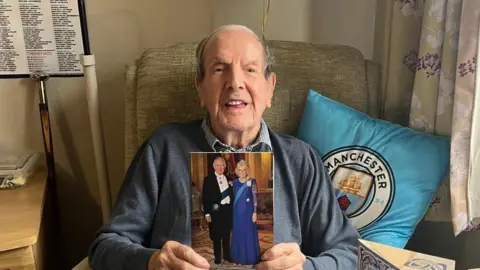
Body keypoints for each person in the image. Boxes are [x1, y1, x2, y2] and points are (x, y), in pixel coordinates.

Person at [88, 24, 360, 270]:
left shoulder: (300, 159)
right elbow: (104, 247)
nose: (235, 82)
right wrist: (150, 261)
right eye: (220, 69)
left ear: (270, 89)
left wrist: (307, 268)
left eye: (250, 69)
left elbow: (347, 252)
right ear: (200, 89)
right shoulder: (163, 149)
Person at [201, 156, 233, 264]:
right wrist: (207, 213)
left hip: (227, 211)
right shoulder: (208, 180)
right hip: (215, 212)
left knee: (226, 235)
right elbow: (205, 197)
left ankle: (227, 256)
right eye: (218, 165)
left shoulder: (230, 179)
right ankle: (218, 257)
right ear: (214, 166)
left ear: (225, 166)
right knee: (216, 236)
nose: (220, 167)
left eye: (222, 165)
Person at [230, 160, 261, 265]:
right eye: (240, 170)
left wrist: (255, 212)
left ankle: (250, 258)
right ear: (236, 171)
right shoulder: (234, 182)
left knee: (248, 232)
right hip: (237, 213)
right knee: (238, 232)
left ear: (247, 170)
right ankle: (238, 257)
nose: (242, 172)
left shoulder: (252, 181)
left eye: (244, 170)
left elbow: (255, 197)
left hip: (248, 212)